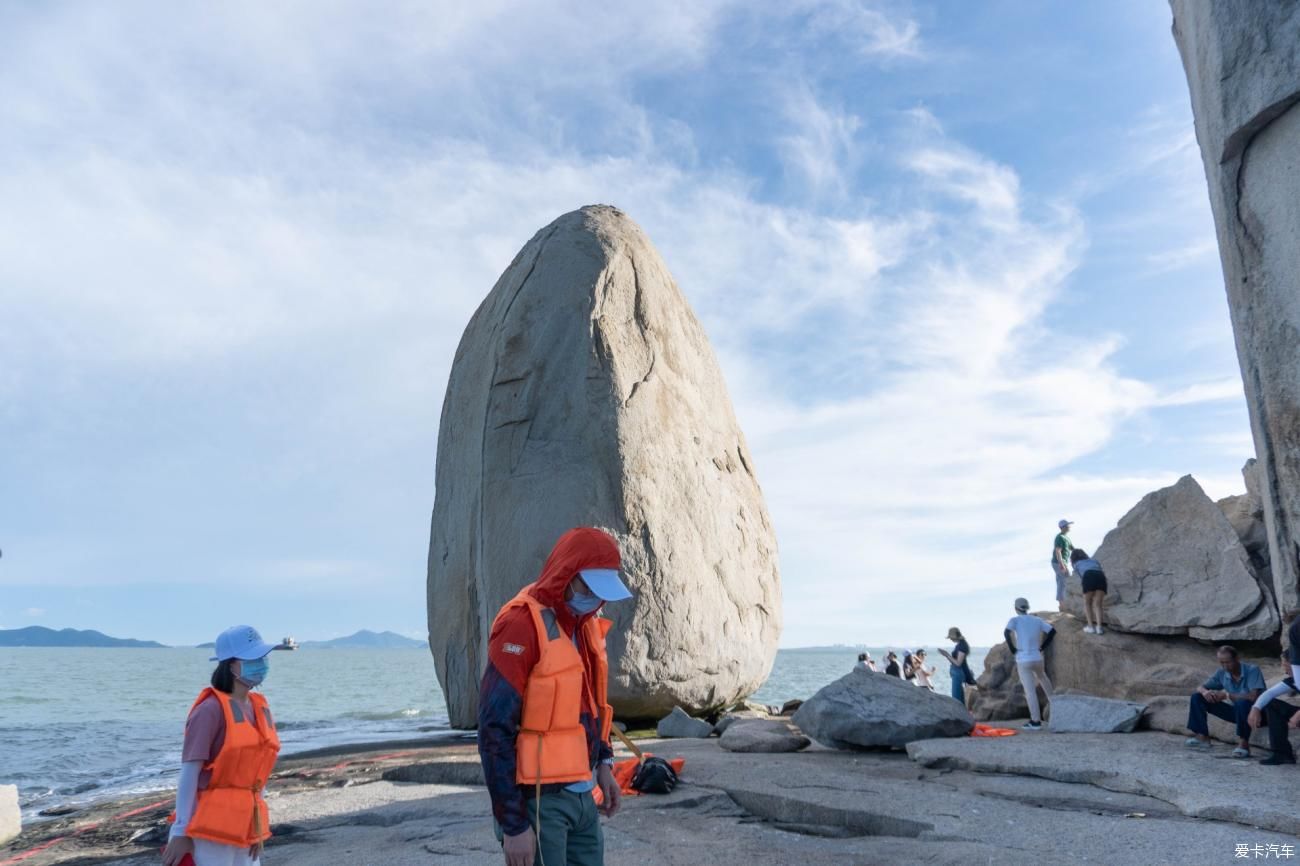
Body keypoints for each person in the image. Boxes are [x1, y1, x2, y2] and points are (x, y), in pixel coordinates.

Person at [478, 527, 633, 866]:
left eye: (600, 590)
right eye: (587, 586)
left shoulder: (585, 626)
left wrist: (605, 764)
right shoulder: (521, 624)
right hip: (537, 801)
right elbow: (493, 729)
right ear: (565, 574)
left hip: (582, 796)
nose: (594, 597)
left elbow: (590, 707)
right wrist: (514, 825)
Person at [163, 626, 282, 866]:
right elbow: (189, 773)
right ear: (230, 665)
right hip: (208, 829)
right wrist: (181, 831)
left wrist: (256, 828)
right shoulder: (209, 710)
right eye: (252, 658)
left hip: (244, 823)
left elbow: (256, 777)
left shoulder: (258, 707)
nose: (261, 663)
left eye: (262, 657)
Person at [1185, 645, 1266, 758]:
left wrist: (1227, 695)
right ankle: (1202, 736)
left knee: (1242, 703)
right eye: (1221, 663)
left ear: (1237, 658)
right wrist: (1205, 692)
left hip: (1258, 714)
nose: (1225, 666)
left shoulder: (1252, 670)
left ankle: (1244, 743)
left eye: (1228, 662)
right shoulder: (1221, 672)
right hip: (1238, 714)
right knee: (1197, 697)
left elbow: (1253, 697)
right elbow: (1201, 687)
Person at [1004, 599, 1056, 730]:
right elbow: (1052, 631)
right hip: (1037, 657)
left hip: (1023, 659)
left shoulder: (1014, 620)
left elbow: (1006, 632)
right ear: (1027, 608)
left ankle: (1036, 721)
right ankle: (1056, 705)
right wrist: (1042, 647)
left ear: (1016, 608)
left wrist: (1012, 649)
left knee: (1030, 691)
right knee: (1043, 678)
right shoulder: (1036, 620)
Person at [1248, 654, 1299, 765]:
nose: (1284, 668)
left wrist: (1297, 716)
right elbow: (1269, 693)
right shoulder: (1295, 679)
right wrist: (1255, 708)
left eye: (1286, 664)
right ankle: (1282, 754)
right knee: (1271, 704)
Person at [1070, 549, 1108, 634]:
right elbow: (1099, 569)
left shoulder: (1076, 564)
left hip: (1088, 576)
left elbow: (1081, 576)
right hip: (1101, 577)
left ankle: (1090, 627)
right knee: (1098, 604)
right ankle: (1099, 628)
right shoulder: (1094, 561)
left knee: (1087, 603)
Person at [937, 628, 972, 704]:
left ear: (954, 636)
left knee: (956, 700)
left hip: (958, 674)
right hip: (957, 673)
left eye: (951, 637)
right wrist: (946, 655)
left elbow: (958, 663)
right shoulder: (960, 645)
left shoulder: (962, 646)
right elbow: (955, 662)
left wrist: (946, 654)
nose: (950, 639)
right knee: (959, 700)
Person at [1051, 519, 1074, 611]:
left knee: (1065, 581)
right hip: (1058, 562)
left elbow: (1072, 548)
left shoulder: (1066, 538)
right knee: (1063, 581)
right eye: (1067, 525)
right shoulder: (1059, 537)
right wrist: (1061, 564)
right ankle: (1062, 605)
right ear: (1063, 527)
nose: (1069, 527)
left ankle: (1064, 603)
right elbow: (1058, 551)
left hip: (1063, 562)